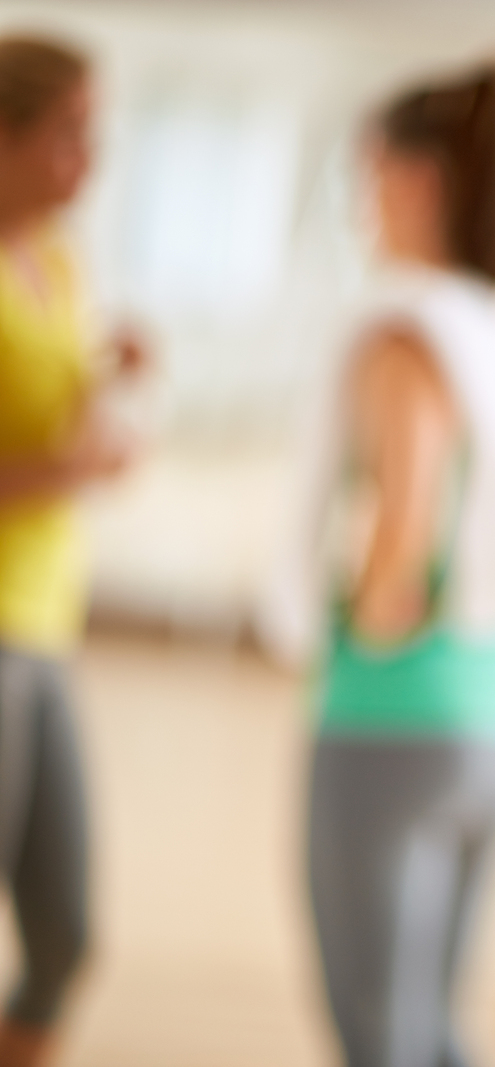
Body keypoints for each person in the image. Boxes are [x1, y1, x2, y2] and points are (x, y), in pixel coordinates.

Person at [284, 65, 495, 1067]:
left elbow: (399, 537)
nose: (361, 206)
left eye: (365, 179)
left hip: (392, 715)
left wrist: (353, 620)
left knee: (379, 1034)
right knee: (440, 1029)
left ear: (412, 179)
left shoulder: (406, 333)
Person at [0, 35, 146, 1067]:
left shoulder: (59, 258)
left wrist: (111, 375)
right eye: (71, 136)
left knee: (65, 931)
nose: (90, 161)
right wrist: (67, 473)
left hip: (46, 621)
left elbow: (60, 423)